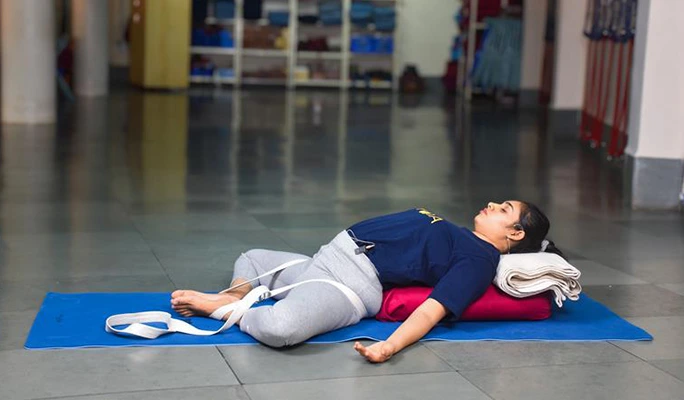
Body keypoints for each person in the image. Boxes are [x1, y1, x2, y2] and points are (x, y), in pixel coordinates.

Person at [171, 201, 563, 363]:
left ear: (514, 234)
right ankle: (241, 291)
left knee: (281, 328)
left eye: (504, 209)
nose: (492, 204)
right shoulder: (462, 234)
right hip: (326, 259)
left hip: (349, 285)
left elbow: (434, 308)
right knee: (252, 257)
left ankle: (228, 308)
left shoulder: (479, 259)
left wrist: (389, 346)